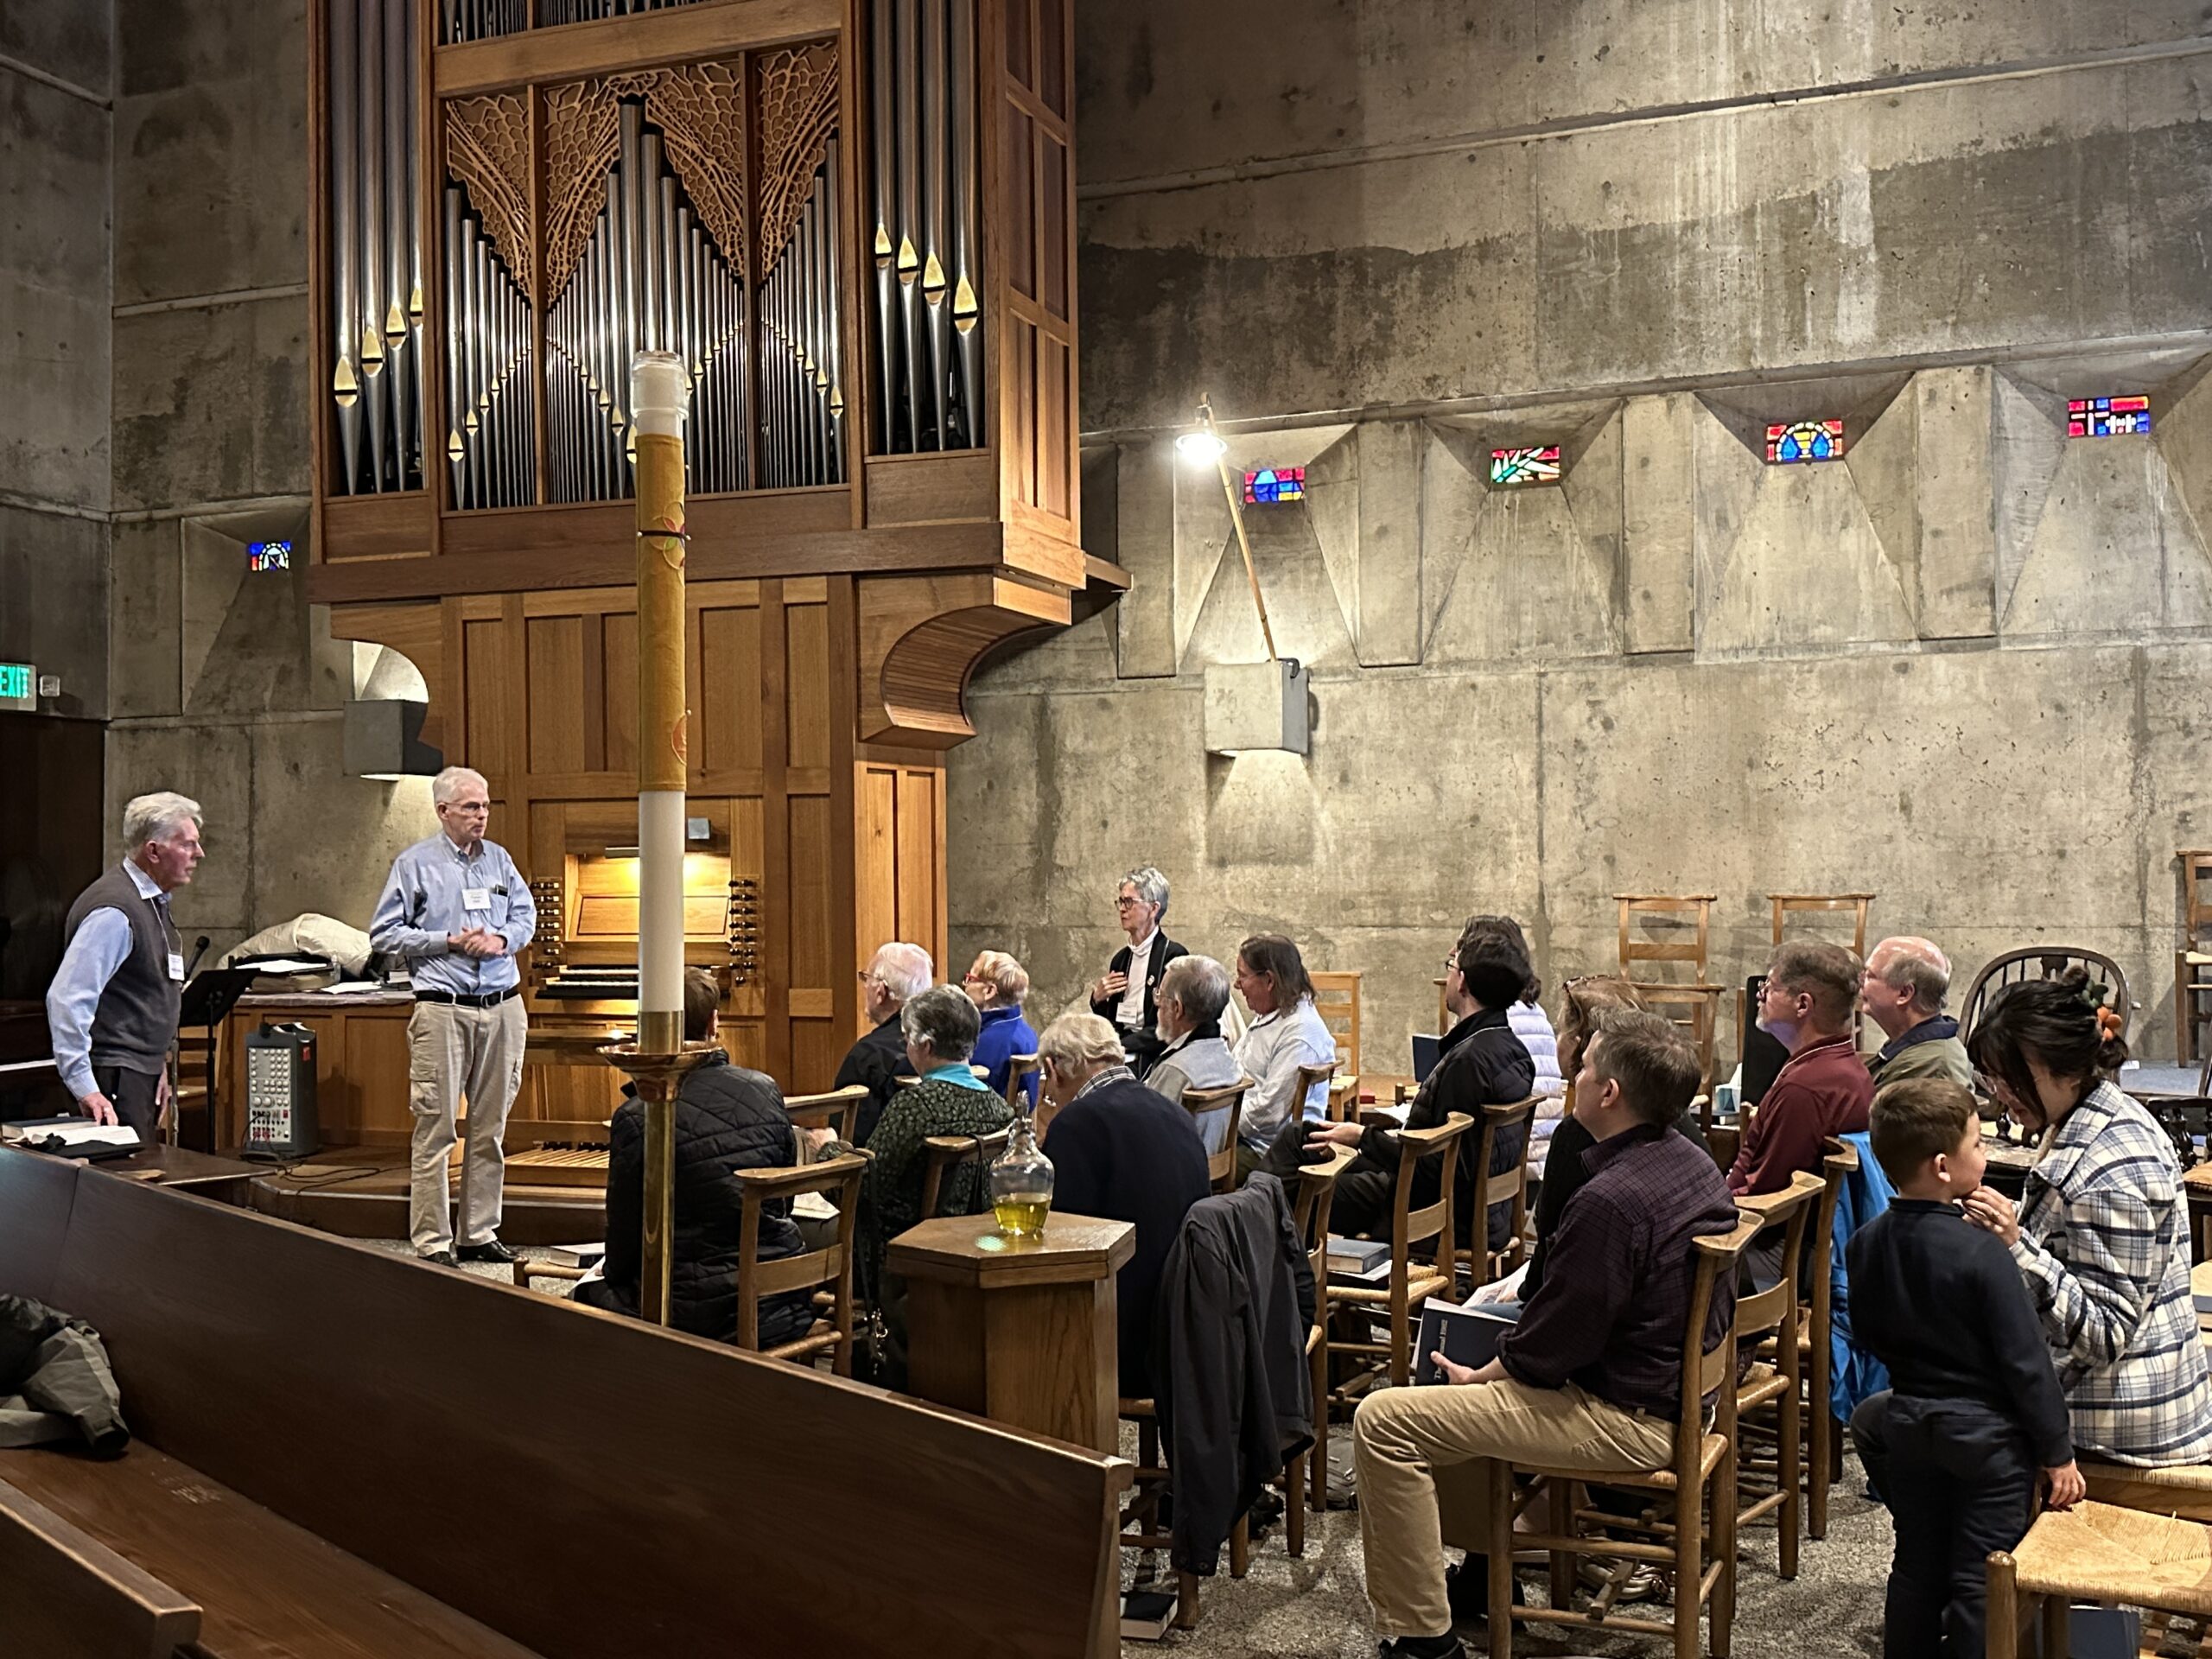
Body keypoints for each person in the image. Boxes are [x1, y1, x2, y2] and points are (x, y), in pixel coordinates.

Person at [1351, 1009, 1740, 1657]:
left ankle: (1425, 1640)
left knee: (1385, 1420)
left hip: (1627, 1416)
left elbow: (1552, 1348)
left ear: (1609, 1094)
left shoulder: (1611, 1200)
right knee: (1456, 1393)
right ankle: (1478, 1582)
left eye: (1586, 1067)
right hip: (1678, 1393)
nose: (1576, 1076)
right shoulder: (1691, 1162)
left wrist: (1484, 1374)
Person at [1847, 1077, 2082, 1659]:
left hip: (1908, 1422)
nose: (1986, 1153)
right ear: (1945, 1165)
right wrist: (2058, 1454)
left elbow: (1867, 1334)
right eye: (1978, 1142)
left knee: (1916, 1570)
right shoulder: (1983, 1253)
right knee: (1979, 1581)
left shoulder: (1866, 1243)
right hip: (1987, 1442)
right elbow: (2026, 1362)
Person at [1961, 971, 2212, 1466]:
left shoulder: (2107, 1176)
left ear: (2068, 1070)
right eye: (1992, 1078)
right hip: (2114, 1401)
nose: (2002, 1094)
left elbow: (2104, 1336)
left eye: (2014, 1079)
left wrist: (2015, 1246)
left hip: (2115, 1429)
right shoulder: (2098, 1111)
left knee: (1921, 1433)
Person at [575, 969, 813, 1346]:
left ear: (647, 1027)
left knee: (578, 1303)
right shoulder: (766, 1088)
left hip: (689, 1313)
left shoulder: (640, 1116)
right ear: (713, 1023)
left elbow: (624, 1234)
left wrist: (611, 1278)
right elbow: (781, 1202)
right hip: (781, 1299)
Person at [368, 766, 537, 1268]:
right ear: (443, 811)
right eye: (470, 807)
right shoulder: (415, 864)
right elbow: (384, 935)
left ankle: (479, 1232)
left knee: (491, 1129)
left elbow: (524, 916)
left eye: (484, 806)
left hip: (502, 1004)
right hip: (443, 1008)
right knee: (437, 1128)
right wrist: (447, 941)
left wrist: (502, 940)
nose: (481, 815)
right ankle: (434, 1241)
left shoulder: (499, 861)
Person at [816, 984, 1013, 1382]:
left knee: (800, 1238)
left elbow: (864, 1191)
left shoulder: (916, 1106)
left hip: (897, 1261)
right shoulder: (997, 1105)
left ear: (924, 1044)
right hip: (970, 1249)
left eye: (907, 1039)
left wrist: (828, 1152)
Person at [1306, 928, 1535, 1252]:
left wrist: (1363, 1138)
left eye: (1450, 966)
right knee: (1303, 1145)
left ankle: (1299, 1290)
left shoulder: (1469, 1062)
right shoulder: (1511, 1049)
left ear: (1463, 982)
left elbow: (1442, 1167)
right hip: (1482, 1212)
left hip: (1433, 1214)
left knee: (1303, 1185)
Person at [1035, 1013, 1211, 1400]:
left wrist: (1045, 1143)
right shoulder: (1174, 1111)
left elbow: (1059, 1240)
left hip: (1124, 1341)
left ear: (1052, 1070)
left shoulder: (1078, 1124)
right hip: (1188, 1326)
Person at [47, 791, 207, 1141]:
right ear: (153, 851)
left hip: (137, 1071)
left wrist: (156, 1064)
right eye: (188, 845)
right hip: (112, 1077)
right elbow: (67, 998)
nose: (199, 854)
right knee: (120, 1185)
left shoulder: (150, 903)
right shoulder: (114, 913)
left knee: (140, 1178)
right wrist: (85, 1086)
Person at [1729, 939, 1873, 1198]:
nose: (1759, 996)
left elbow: (1767, 1193)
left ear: (1803, 1004)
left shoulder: (1804, 1088)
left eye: (1770, 987)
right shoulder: (1840, 1066)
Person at [1457, 915, 1565, 1177]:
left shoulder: (1495, 1025)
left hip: (1505, 1166)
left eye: (1457, 959)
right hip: (1536, 1162)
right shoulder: (1535, 1012)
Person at [1230, 933, 1338, 1182]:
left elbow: (1268, 1113)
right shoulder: (1273, 1013)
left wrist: (1219, 1121)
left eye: (1243, 976)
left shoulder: (1299, 1033)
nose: (1237, 985)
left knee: (1183, 1167)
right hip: (1245, 1135)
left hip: (1266, 1153)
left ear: (1269, 980)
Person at [1089, 866, 1186, 1075]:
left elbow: (1172, 1026)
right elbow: (1112, 1021)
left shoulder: (1174, 957)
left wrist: (1122, 1045)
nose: (1122, 909)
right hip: (1121, 1048)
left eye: (1129, 902)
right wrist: (1098, 1000)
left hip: (1153, 1055)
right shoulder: (1121, 959)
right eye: (1121, 902)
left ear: (1153, 909)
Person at [833, 942, 932, 1145]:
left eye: (866, 978)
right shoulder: (945, 1047)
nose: (864, 986)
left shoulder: (868, 1055)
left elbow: (848, 1140)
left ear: (881, 991)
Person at [1144, 954, 1243, 1149]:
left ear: (1177, 1008)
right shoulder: (1226, 1057)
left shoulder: (1176, 1071)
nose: (1157, 1004)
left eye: (1160, 996)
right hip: (1208, 1170)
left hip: (1174, 1175)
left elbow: (1146, 1136)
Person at [1862, 937, 1974, 1089]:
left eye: (1870, 976)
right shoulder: (1913, 1047)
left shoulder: (1929, 1070)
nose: (1860, 982)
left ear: (1904, 993)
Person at [962, 950, 1039, 1106]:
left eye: (970, 979)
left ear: (989, 991)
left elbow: (966, 1095)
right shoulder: (1025, 1031)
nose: (965, 986)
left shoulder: (987, 1042)